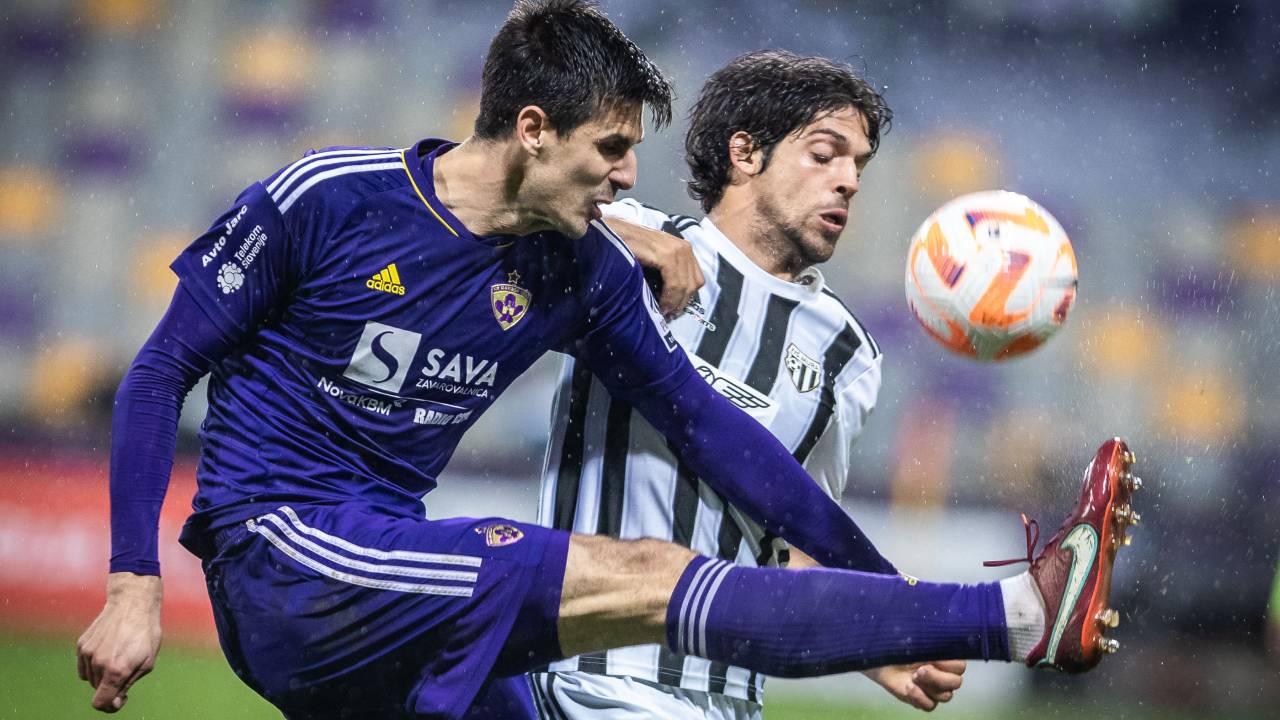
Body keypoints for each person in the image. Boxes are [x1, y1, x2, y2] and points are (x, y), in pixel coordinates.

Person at [74, 2, 1136, 719]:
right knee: (648, 572)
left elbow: (712, 432)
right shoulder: (329, 199)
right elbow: (159, 373)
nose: (629, 177)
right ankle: (1017, 617)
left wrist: (879, 599)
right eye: (612, 150)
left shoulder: (573, 266)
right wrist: (132, 582)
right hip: (284, 553)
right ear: (534, 129)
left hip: (395, 573)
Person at [530, 50, 964, 718]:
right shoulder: (630, 240)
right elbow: (501, 210)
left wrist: (874, 645)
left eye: (859, 165)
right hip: (594, 677)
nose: (849, 181)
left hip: (731, 699)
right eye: (825, 154)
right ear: (745, 153)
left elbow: (790, 542)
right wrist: (626, 238)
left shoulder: (848, 354)